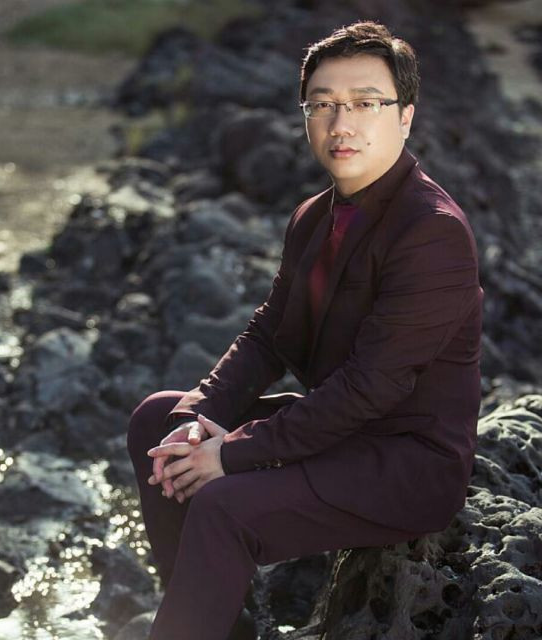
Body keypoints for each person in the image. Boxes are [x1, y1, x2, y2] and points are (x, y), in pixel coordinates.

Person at [127, 20, 483, 640]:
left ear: (404, 117)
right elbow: (270, 332)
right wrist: (202, 418)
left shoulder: (432, 231)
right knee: (159, 423)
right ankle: (218, 622)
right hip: (337, 433)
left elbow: (370, 387)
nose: (341, 123)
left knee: (222, 501)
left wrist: (233, 453)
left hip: (406, 462)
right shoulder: (316, 215)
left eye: (366, 103)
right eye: (323, 105)